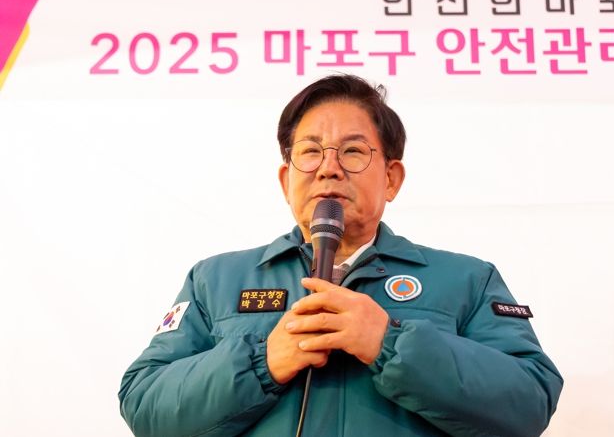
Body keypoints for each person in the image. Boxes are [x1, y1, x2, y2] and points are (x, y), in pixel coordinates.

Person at [119, 74, 563, 437]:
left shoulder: (468, 279)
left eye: (352, 151)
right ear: (286, 180)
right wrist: (261, 363)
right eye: (310, 152)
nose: (328, 168)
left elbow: (530, 402)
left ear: (391, 178)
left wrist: (390, 344)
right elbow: (145, 404)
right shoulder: (215, 279)